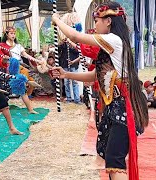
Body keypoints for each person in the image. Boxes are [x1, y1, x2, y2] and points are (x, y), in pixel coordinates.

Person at [51, 2, 149, 180]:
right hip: (114, 108)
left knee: (115, 160)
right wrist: (66, 74)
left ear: (108, 21)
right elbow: (96, 75)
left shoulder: (114, 40)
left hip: (123, 108)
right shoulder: (110, 46)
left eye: (97, 20)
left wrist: (57, 20)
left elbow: (75, 35)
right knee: (111, 158)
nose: (95, 25)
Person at [0, 26, 40, 113]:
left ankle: (30, 109)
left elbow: (26, 56)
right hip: (6, 69)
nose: (13, 35)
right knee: (4, 90)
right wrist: (5, 58)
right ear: (6, 34)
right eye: (11, 33)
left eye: (14, 33)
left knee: (22, 88)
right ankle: (3, 110)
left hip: (17, 68)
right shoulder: (1, 46)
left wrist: (37, 60)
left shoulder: (18, 46)